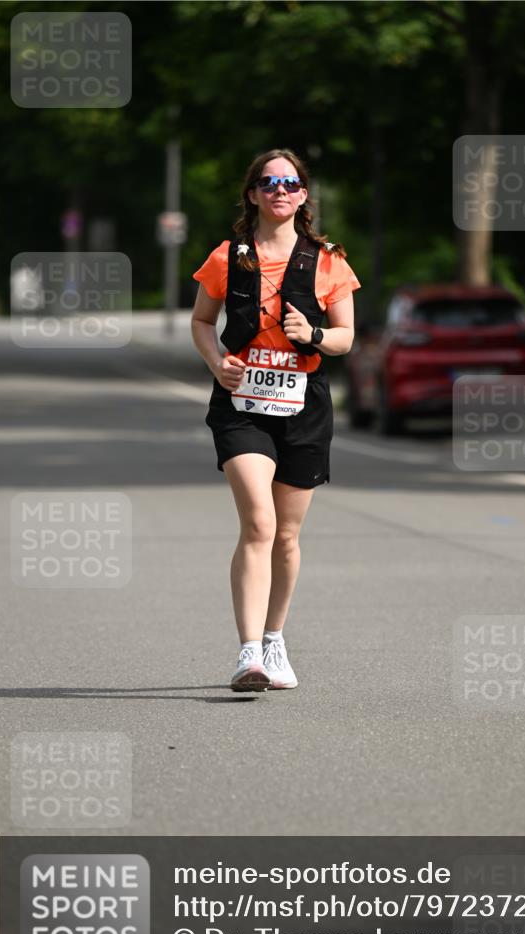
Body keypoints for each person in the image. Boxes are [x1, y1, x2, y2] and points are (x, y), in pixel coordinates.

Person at [191, 148, 361, 692]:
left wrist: (313, 334)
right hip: (241, 404)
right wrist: (217, 363)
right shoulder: (228, 257)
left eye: (289, 183)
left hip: (303, 404)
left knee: (286, 535)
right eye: (268, 183)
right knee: (259, 523)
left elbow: (345, 338)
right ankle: (248, 655)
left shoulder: (328, 260)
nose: (279, 191)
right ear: (252, 194)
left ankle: (273, 639)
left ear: (303, 195)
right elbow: (202, 321)